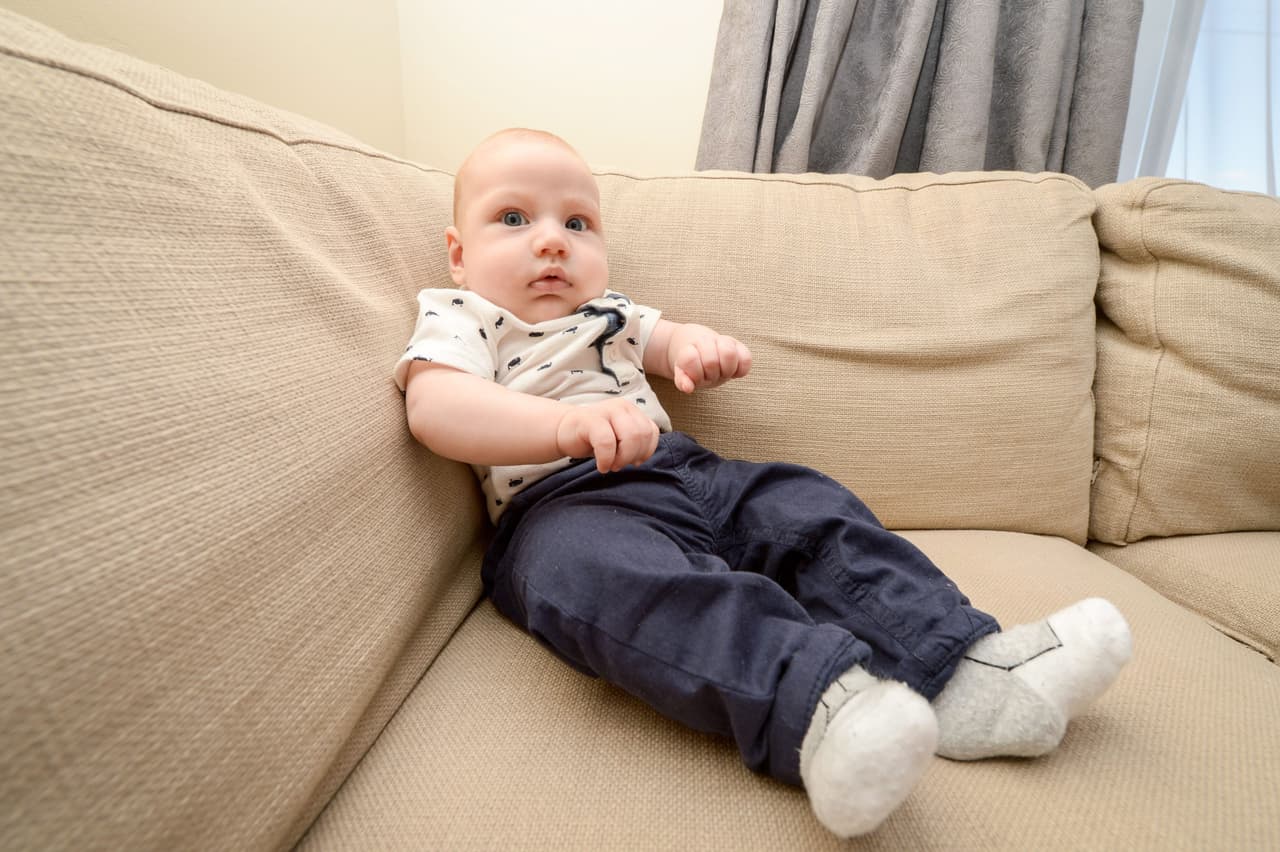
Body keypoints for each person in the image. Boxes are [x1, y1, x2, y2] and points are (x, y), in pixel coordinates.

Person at [394, 128, 1132, 838]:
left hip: (691, 473)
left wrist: (697, 349)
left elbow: (667, 338)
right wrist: (559, 428)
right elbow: (436, 407)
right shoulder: (464, 314)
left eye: (578, 222)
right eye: (514, 218)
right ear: (459, 256)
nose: (552, 239)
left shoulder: (610, 312)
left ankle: (967, 670)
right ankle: (825, 710)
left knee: (808, 508)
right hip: (564, 508)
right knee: (606, 580)